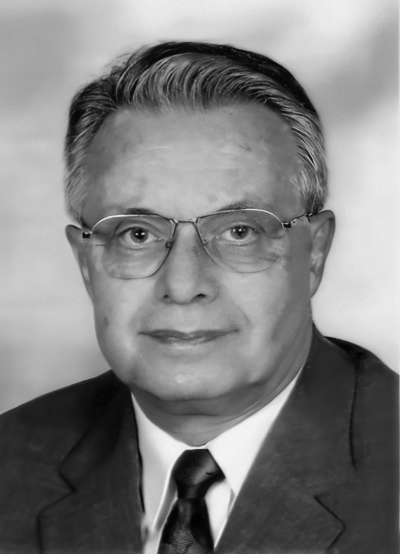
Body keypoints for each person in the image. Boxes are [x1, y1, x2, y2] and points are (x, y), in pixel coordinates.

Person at [0, 41, 398, 554]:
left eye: (239, 232)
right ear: (86, 262)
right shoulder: (11, 465)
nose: (184, 285)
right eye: (137, 234)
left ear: (315, 252)